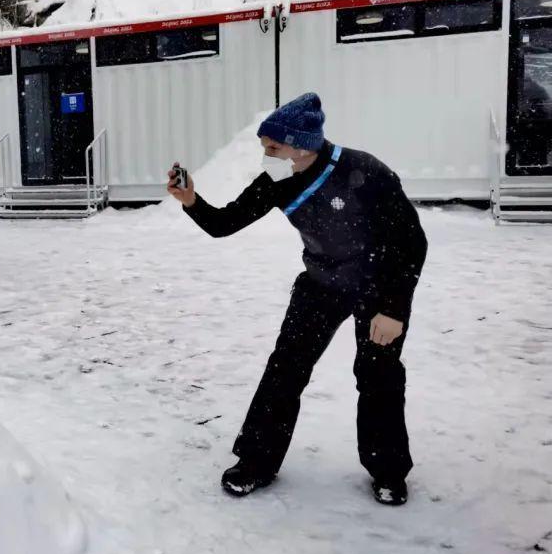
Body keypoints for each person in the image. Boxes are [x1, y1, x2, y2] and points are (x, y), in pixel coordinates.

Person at [167, 93, 427, 506]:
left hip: (378, 286)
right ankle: (256, 461)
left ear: (302, 146)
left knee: (378, 375)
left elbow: (411, 242)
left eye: (273, 147)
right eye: (264, 147)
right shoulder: (278, 178)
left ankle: (389, 471)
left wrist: (393, 309)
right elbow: (225, 222)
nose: (266, 155)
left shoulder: (364, 171)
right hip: (321, 284)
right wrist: (192, 202)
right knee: (285, 369)